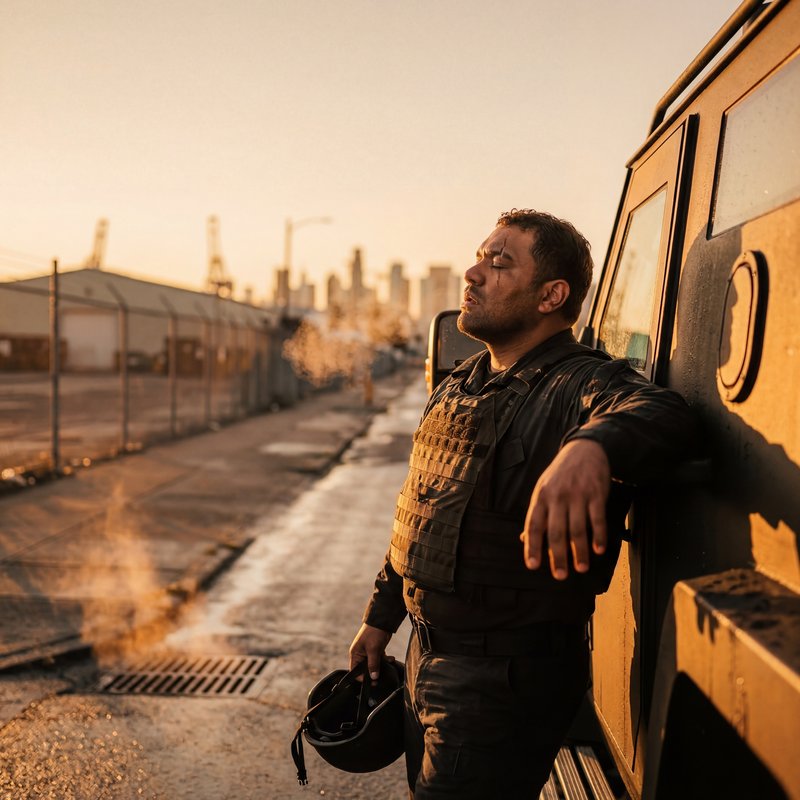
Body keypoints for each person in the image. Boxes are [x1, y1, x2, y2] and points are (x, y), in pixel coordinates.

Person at [348, 209, 695, 798]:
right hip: (421, 661)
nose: (473, 272)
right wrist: (380, 620)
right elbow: (422, 513)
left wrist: (590, 447)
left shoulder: (576, 382)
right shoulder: (462, 384)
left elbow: (663, 414)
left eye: (499, 262)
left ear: (551, 295)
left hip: (501, 682)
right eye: (480, 257)